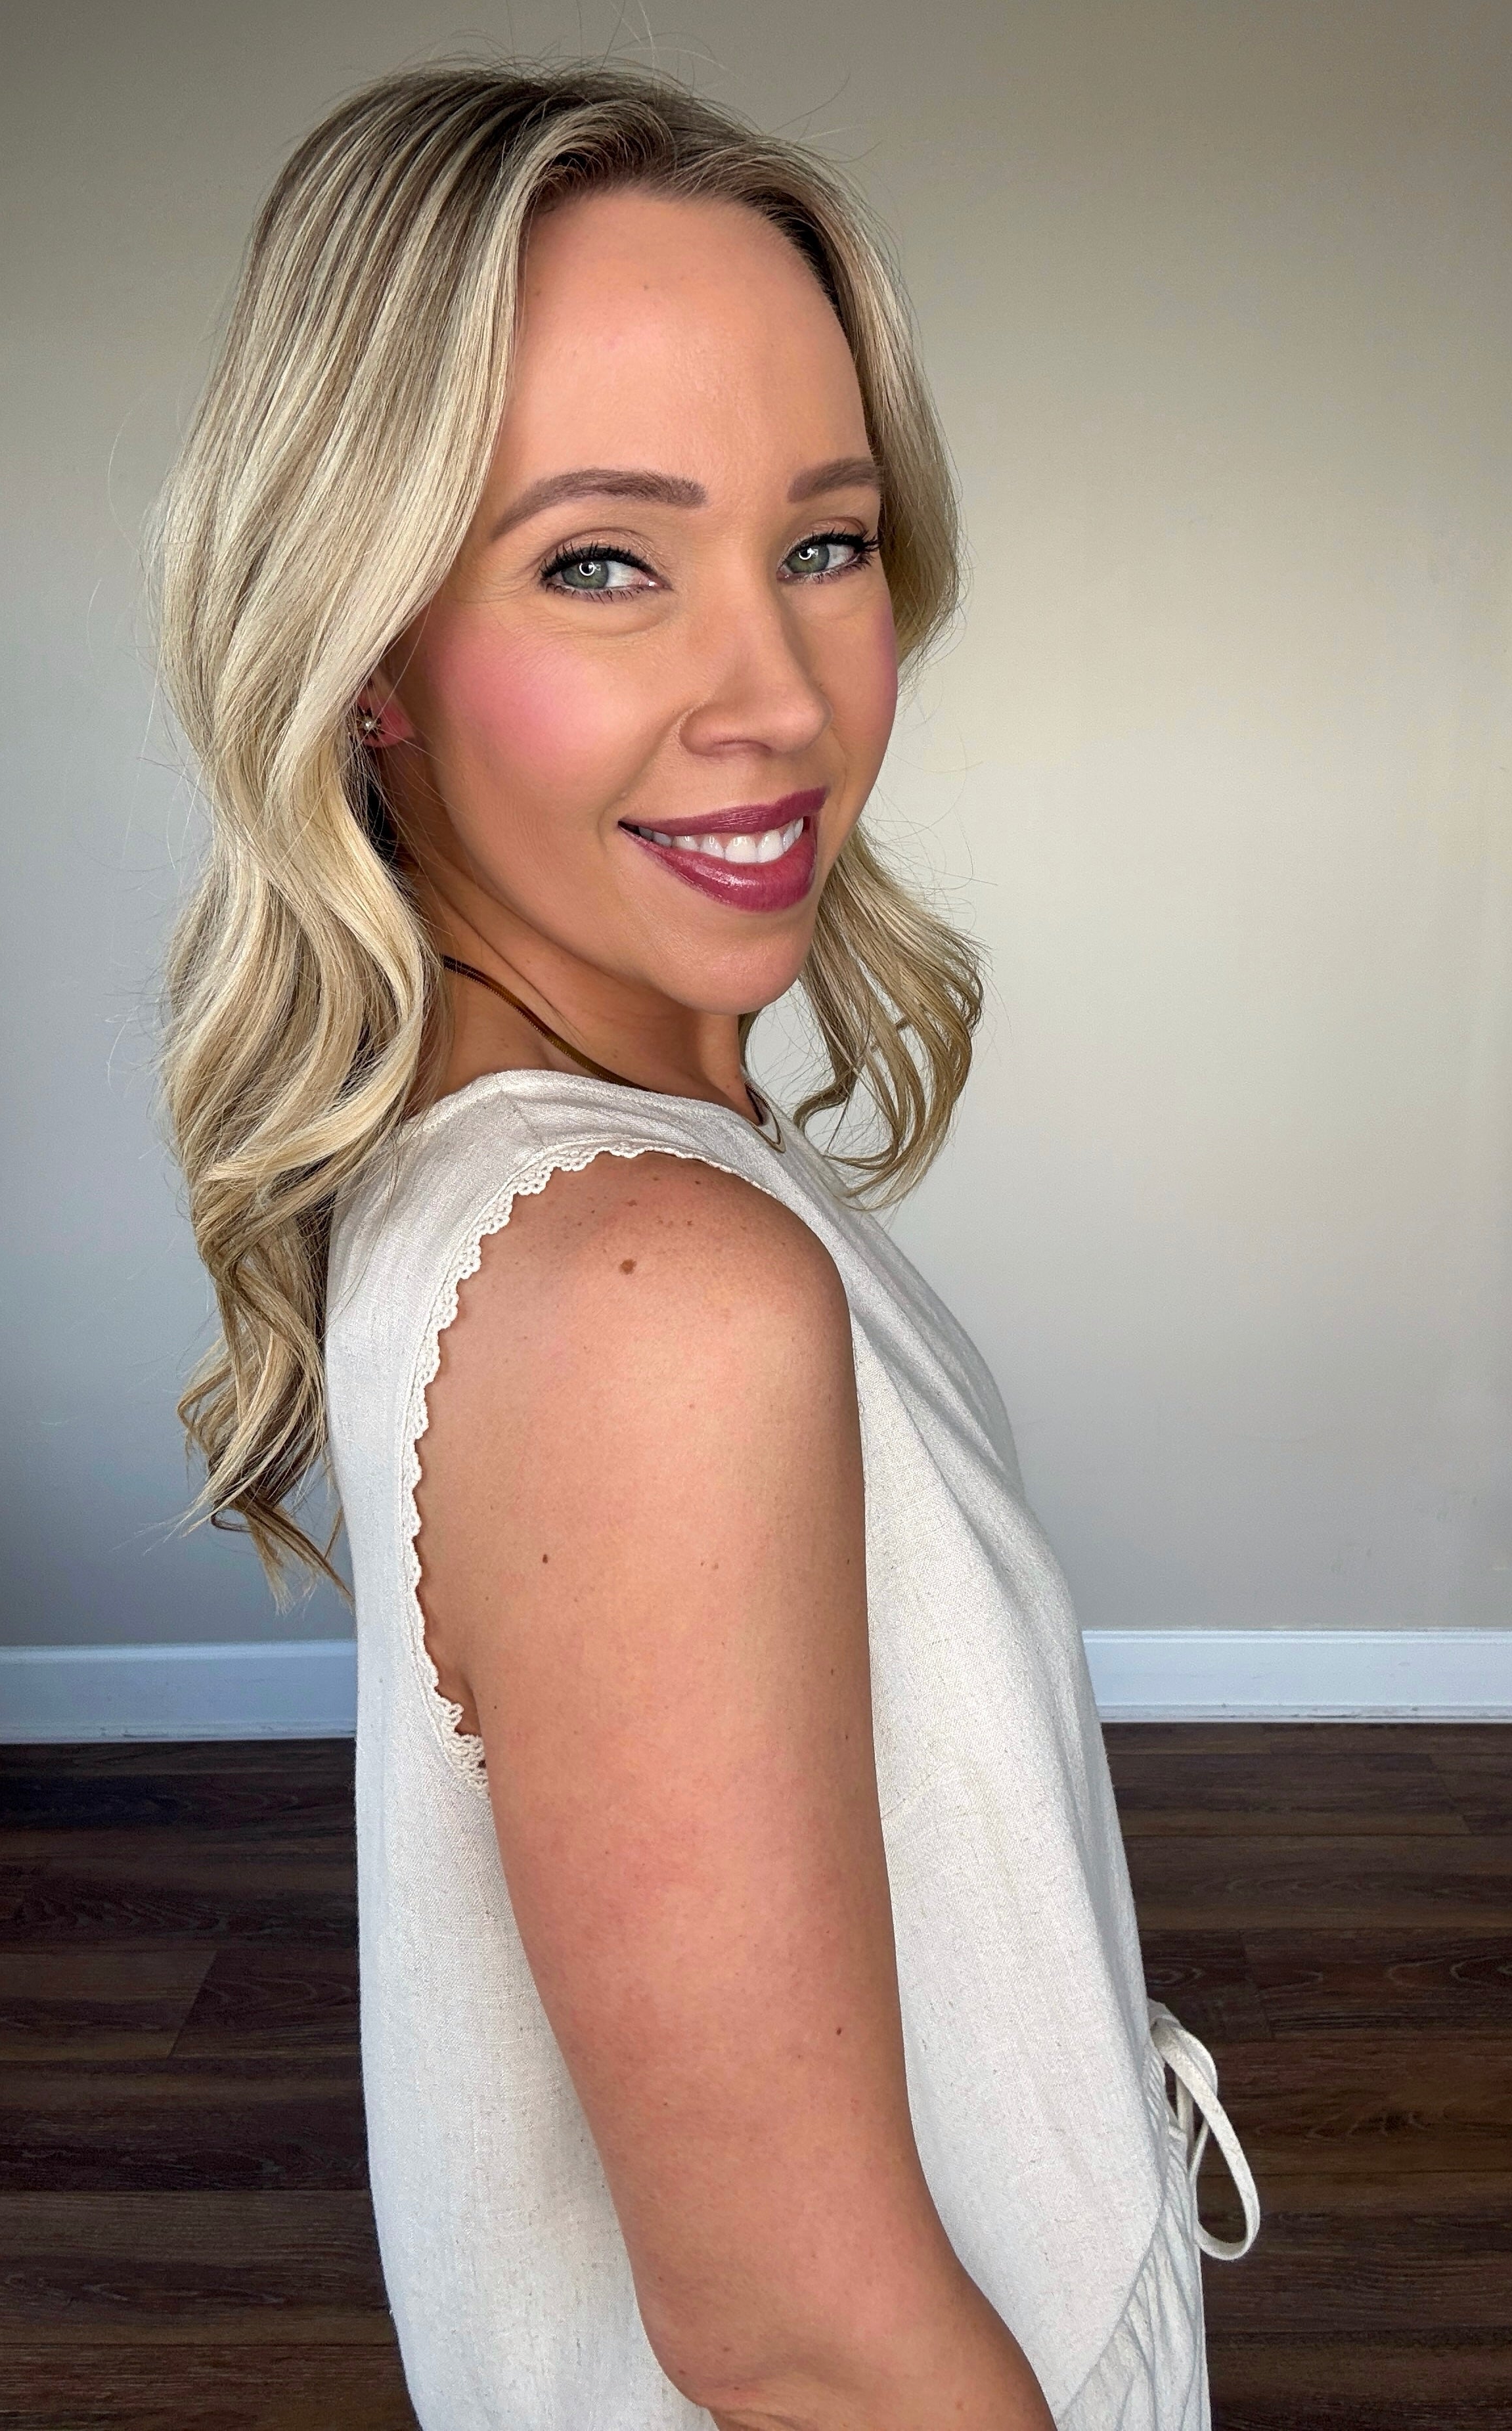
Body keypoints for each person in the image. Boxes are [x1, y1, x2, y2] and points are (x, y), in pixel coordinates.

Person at [155, 60, 1258, 2431]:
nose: (779, 698)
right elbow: (802, 2340)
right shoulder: (650, 1290)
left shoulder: (559, 1183)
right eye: (601, 561)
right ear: (368, 653)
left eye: (825, 543)